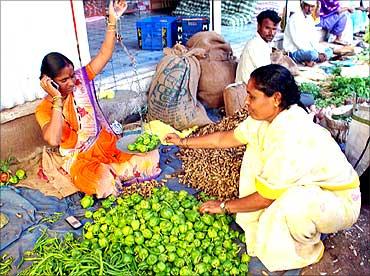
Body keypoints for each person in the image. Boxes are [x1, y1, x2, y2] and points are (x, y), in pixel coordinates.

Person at [166, 64, 361, 272]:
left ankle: (306, 248)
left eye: (252, 97)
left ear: (276, 98)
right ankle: (275, 218)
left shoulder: (290, 134)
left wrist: (223, 206)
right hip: (311, 187)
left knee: (292, 204)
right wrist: (183, 141)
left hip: (339, 201)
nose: (246, 102)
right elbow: (225, 138)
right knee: (255, 148)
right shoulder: (264, 120)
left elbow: (266, 197)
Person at [36, 0, 160, 198]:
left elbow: (105, 53)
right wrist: (57, 100)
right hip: (81, 159)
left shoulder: (81, 80)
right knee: (101, 182)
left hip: (105, 143)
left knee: (151, 156)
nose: (72, 82)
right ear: (49, 81)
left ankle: (115, 171)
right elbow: (52, 138)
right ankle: (114, 173)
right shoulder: (44, 109)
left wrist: (112, 19)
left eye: (72, 75)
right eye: (64, 80)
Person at [235, 10, 281, 84]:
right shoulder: (255, 45)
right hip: (248, 90)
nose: (271, 33)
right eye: (267, 28)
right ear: (258, 26)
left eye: (274, 29)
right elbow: (266, 76)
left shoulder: (264, 43)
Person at [283, 0, 333, 67]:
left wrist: (321, 52)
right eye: (307, 6)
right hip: (295, 51)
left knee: (329, 50)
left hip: (309, 50)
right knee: (312, 54)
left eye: (312, 6)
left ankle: (312, 59)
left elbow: (313, 40)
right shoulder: (295, 18)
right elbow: (297, 42)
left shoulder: (310, 19)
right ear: (302, 5)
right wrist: (317, 54)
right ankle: (313, 59)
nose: (310, 9)